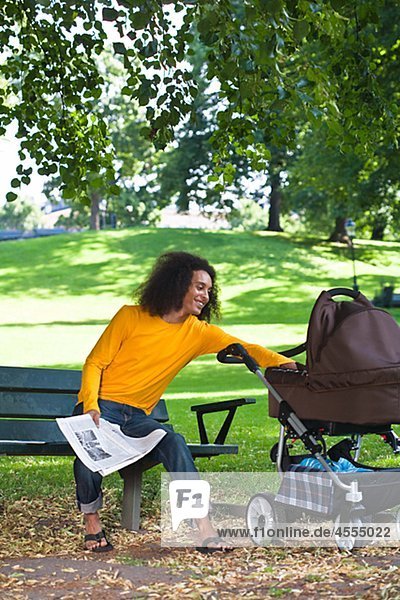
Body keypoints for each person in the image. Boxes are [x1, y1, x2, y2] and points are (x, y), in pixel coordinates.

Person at [74, 251, 296, 553]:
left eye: (209, 290)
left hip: (137, 418)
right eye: (200, 287)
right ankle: (91, 521)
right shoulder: (130, 316)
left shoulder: (197, 332)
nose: (206, 295)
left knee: (174, 442)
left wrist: (284, 363)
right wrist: (90, 406)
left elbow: (244, 348)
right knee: (88, 454)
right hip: (102, 407)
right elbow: (95, 362)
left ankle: (202, 527)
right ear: (178, 284)